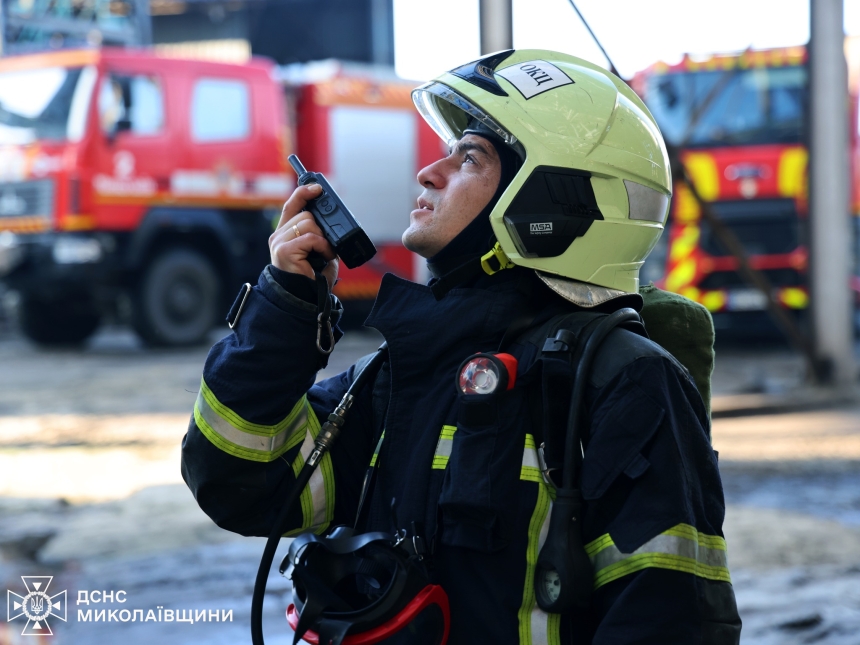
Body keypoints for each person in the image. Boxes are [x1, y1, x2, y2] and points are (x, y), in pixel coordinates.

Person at [182, 49, 742, 644]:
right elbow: (239, 483)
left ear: (551, 198)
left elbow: (667, 624)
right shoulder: (399, 376)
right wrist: (286, 311)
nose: (430, 172)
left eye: (469, 157)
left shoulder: (625, 382)